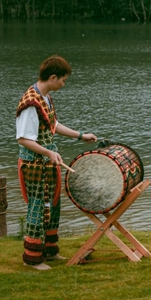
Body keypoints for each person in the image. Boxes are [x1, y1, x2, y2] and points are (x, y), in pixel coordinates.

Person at [16, 55, 97, 270]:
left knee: (53, 207)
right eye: (63, 80)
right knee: (37, 209)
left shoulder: (46, 98)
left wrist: (81, 135)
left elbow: (54, 125)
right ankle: (32, 258)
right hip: (34, 165)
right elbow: (24, 139)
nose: (64, 84)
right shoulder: (30, 103)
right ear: (53, 77)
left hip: (47, 162)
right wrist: (48, 153)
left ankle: (49, 251)